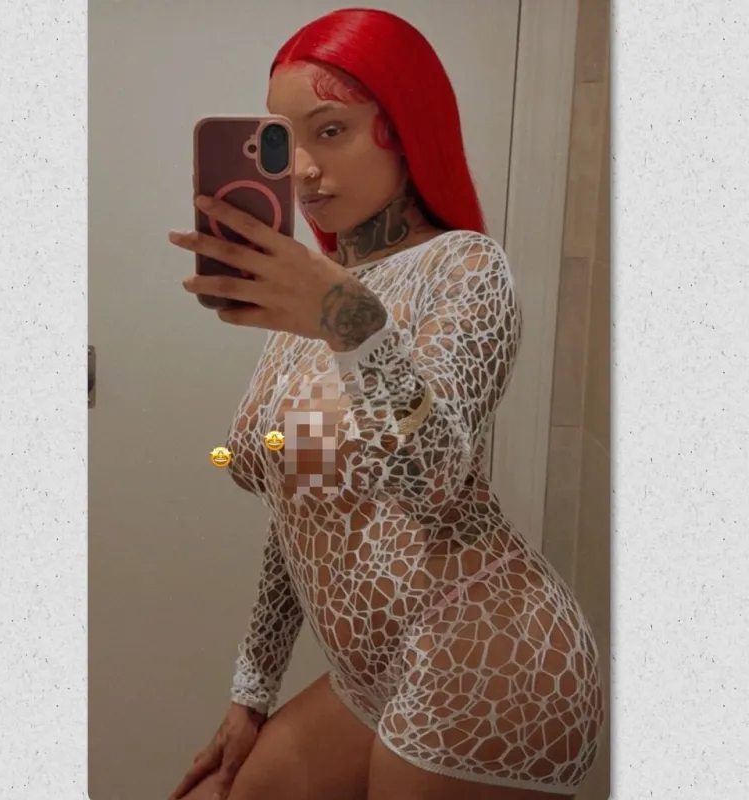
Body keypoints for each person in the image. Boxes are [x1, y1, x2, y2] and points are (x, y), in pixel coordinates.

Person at [167, 8, 604, 800]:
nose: (303, 171)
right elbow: (299, 505)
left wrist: (349, 322)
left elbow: (432, 478)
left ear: (404, 128)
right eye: (283, 141)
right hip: (371, 676)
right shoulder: (309, 302)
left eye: (330, 131)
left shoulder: (465, 268)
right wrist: (249, 693)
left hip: (490, 656)